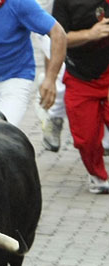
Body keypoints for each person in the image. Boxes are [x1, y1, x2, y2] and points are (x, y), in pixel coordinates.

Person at [52, 0, 109, 194]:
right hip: (80, 75)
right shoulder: (63, 2)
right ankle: (98, 177)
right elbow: (58, 36)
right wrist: (90, 34)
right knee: (85, 137)